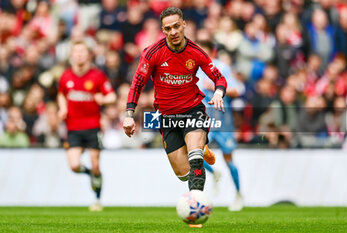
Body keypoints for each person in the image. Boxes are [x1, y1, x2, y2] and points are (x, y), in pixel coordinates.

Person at [123, 6, 227, 219]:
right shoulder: (153, 53)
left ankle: (196, 208)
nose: (173, 32)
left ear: (184, 25)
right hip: (167, 117)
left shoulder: (196, 52)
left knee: (195, 156)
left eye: (176, 26)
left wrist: (218, 92)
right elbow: (137, 83)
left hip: (193, 110)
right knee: (183, 174)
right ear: (163, 30)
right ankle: (202, 150)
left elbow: (219, 76)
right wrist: (129, 114)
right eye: (168, 28)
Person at [57, 41, 117, 211]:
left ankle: (97, 199)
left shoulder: (97, 76)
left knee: (96, 163)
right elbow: (61, 94)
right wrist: (62, 107)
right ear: (72, 55)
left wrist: (103, 99)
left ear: (88, 55)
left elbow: (111, 96)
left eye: (83, 52)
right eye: (77, 52)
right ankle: (89, 174)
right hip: (73, 127)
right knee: (74, 165)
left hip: (92, 126)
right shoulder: (66, 76)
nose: (80, 55)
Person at [196, 40, 244, 211]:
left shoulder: (221, 68)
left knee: (228, 158)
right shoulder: (191, 69)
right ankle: (214, 173)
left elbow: (238, 89)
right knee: (193, 150)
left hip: (222, 120)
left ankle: (238, 194)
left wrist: (217, 87)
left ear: (212, 53)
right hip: (202, 120)